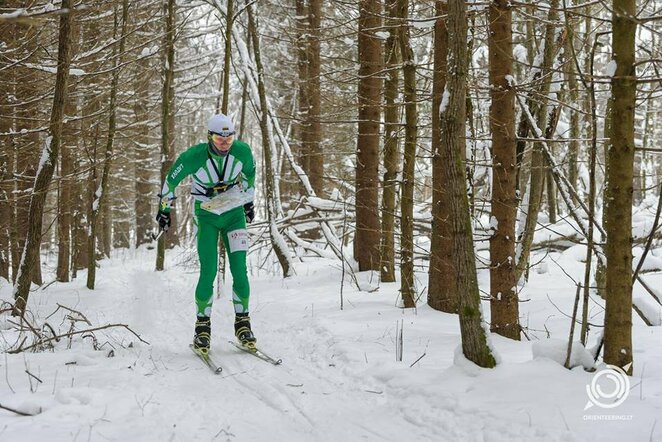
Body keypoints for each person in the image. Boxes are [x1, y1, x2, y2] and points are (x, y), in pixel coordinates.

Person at [155, 114, 256, 356]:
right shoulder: (194, 156)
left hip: (233, 213)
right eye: (220, 138)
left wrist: (249, 202)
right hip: (207, 214)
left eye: (229, 137)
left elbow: (250, 175)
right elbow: (170, 181)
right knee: (208, 270)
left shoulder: (242, 151)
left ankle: (243, 324)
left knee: (240, 269)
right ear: (209, 137)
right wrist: (164, 211)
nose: (225, 143)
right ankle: (202, 327)